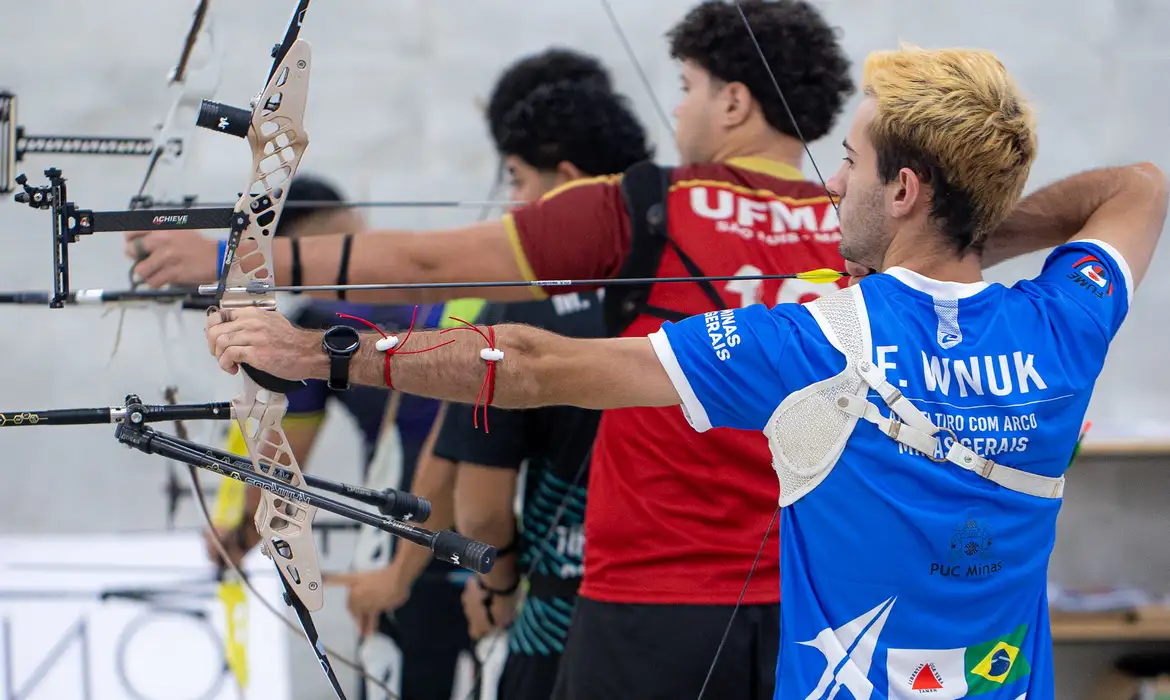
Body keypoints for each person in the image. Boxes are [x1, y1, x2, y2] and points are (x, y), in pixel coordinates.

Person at [204, 43, 1169, 699]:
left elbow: (540, 367)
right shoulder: (1065, 319)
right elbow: (1140, 187)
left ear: (905, 189)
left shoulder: (825, 337)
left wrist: (317, 351)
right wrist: (962, 236)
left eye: (855, 163)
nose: (833, 182)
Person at [138, 2, 855, 696]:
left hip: (651, 599)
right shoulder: (857, 230)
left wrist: (228, 257)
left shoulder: (646, 203)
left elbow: (426, 264)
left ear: (732, 103)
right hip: (819, 609)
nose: (676, 111)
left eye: (687, 88)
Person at [206, 174, 475, 700]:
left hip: (409, 540)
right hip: (506, 532)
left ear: (293, 251)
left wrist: (236, 539)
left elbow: (282, 471)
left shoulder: (317, 326)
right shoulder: (455, 292)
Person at [435, 73, 651, 700]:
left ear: (564, 179)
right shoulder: (696, 293)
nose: (511, 209)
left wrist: (500, 586)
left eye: (518, 182)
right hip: (705, 621)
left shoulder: (515, 309)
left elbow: (479, 507)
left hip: (560, 625)